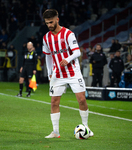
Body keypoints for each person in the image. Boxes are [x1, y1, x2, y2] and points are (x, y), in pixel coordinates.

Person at [42, 9, 93, 138]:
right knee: (54, 102)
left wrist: (68, 59)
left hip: (73, 72)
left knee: (81, 99)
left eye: (51, 22)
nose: (49, 25)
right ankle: (55, 132)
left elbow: (77, 52)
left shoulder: (68, 34)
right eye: (47, 23)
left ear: (57, 19)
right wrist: (49, 73)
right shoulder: (46, 37)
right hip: (57, 74)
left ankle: (86, 128)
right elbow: (48, 56)